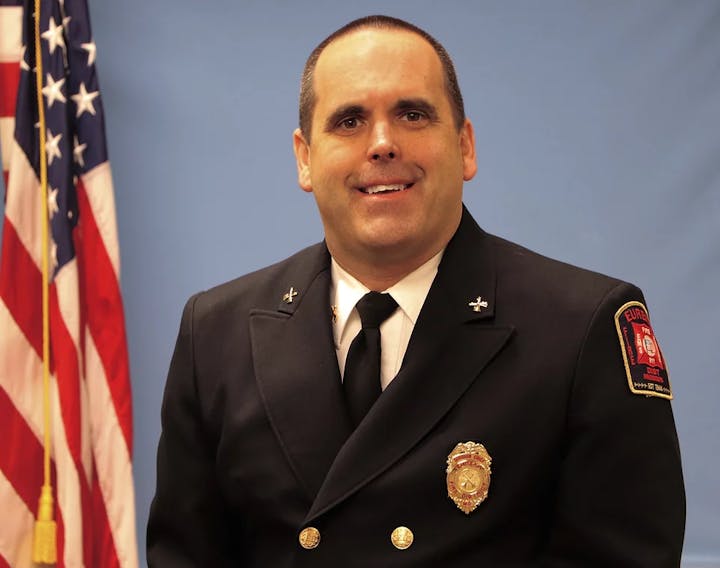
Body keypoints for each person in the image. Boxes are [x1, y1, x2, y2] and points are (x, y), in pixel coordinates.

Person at [147, 15, 685, 567]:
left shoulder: (583, 328)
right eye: (350, 121)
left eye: (412, 114)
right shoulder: (215, 333)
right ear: (305, 159)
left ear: (465, 145)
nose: (382, 144)